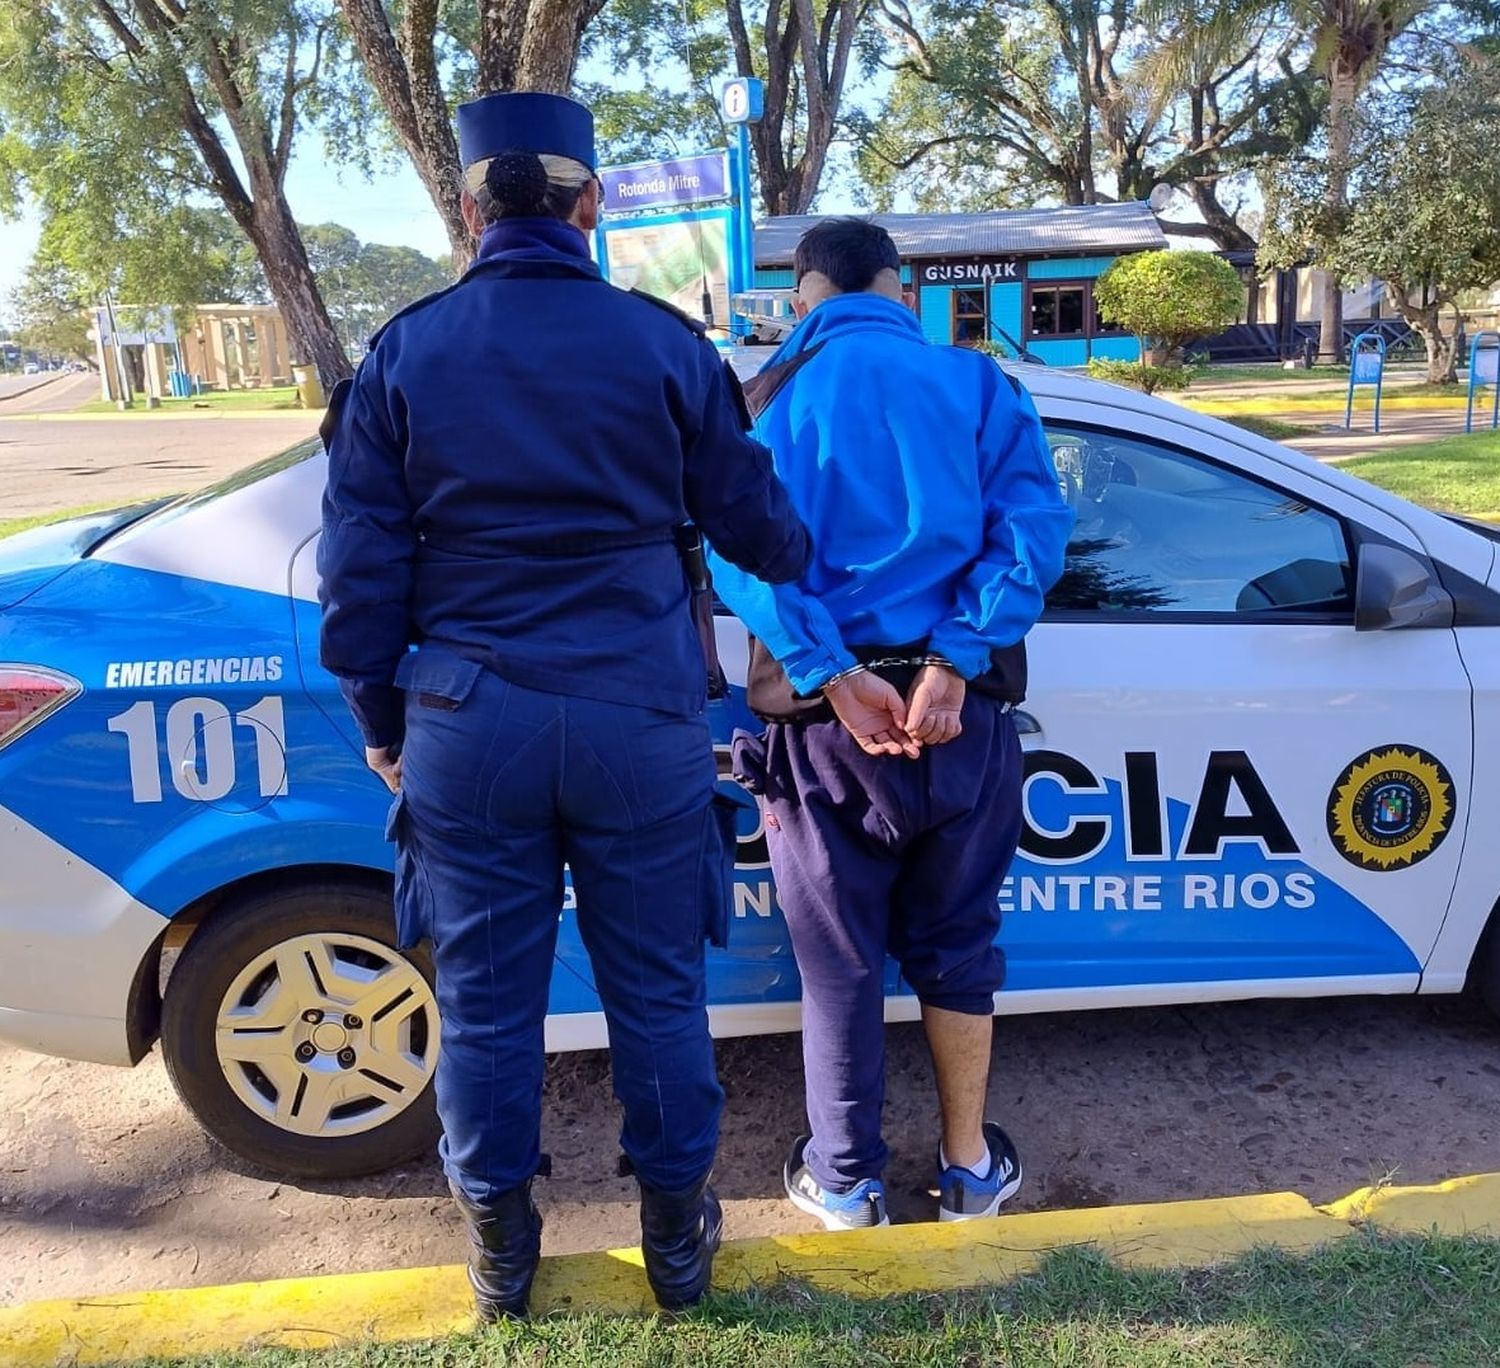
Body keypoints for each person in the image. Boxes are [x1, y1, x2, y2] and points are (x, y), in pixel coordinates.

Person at [317, 92, 810, 1316]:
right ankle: (678, 1249)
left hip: (466, 722)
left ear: (473, 211)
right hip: (637, 720)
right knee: (657, 996)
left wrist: (383, 725)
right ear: (589, 207)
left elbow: (359, 579)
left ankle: (500, 1251)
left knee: (486, 1005)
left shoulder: (404, 351)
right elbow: (764, 534)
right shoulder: (663, 346)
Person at [710, 218, 1073, 1230]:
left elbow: (737, 554)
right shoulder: (979, 385)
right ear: (897, 285)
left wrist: (832, 674)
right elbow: (1033, 531)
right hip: (962, 725)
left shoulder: (763, 399)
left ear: (803, 293)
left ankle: (846, 1181)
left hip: (827, 739)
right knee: (959, 948)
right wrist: (954, 661)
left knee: (839, 964)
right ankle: (967, 1172)